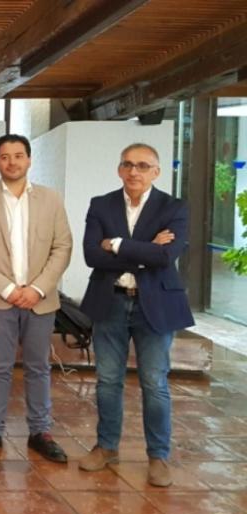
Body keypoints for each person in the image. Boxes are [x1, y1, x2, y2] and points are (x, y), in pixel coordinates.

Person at [78, 142, 193, 487]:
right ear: (119, 169)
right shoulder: (101, 205)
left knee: (154, 383)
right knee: (108, 381)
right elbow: (90, 256)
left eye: (143, 166)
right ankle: (106, 447)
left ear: (156, 172)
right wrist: (146, 249)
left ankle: (158, 455)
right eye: (128, 164)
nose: (134, 172)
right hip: (109, 302)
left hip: (154, 305)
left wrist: (115, 244)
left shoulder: (175, 207)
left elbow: (165, 256)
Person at [0, 134, 73, 463]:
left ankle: (40, 432)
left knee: (39, 366)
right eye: (4, 156)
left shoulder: (51, 199)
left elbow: (62, 246)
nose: (12, 162)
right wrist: (9, 289)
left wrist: (37, 288)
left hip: (40, 299)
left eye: (18, 155)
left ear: (29, 159)